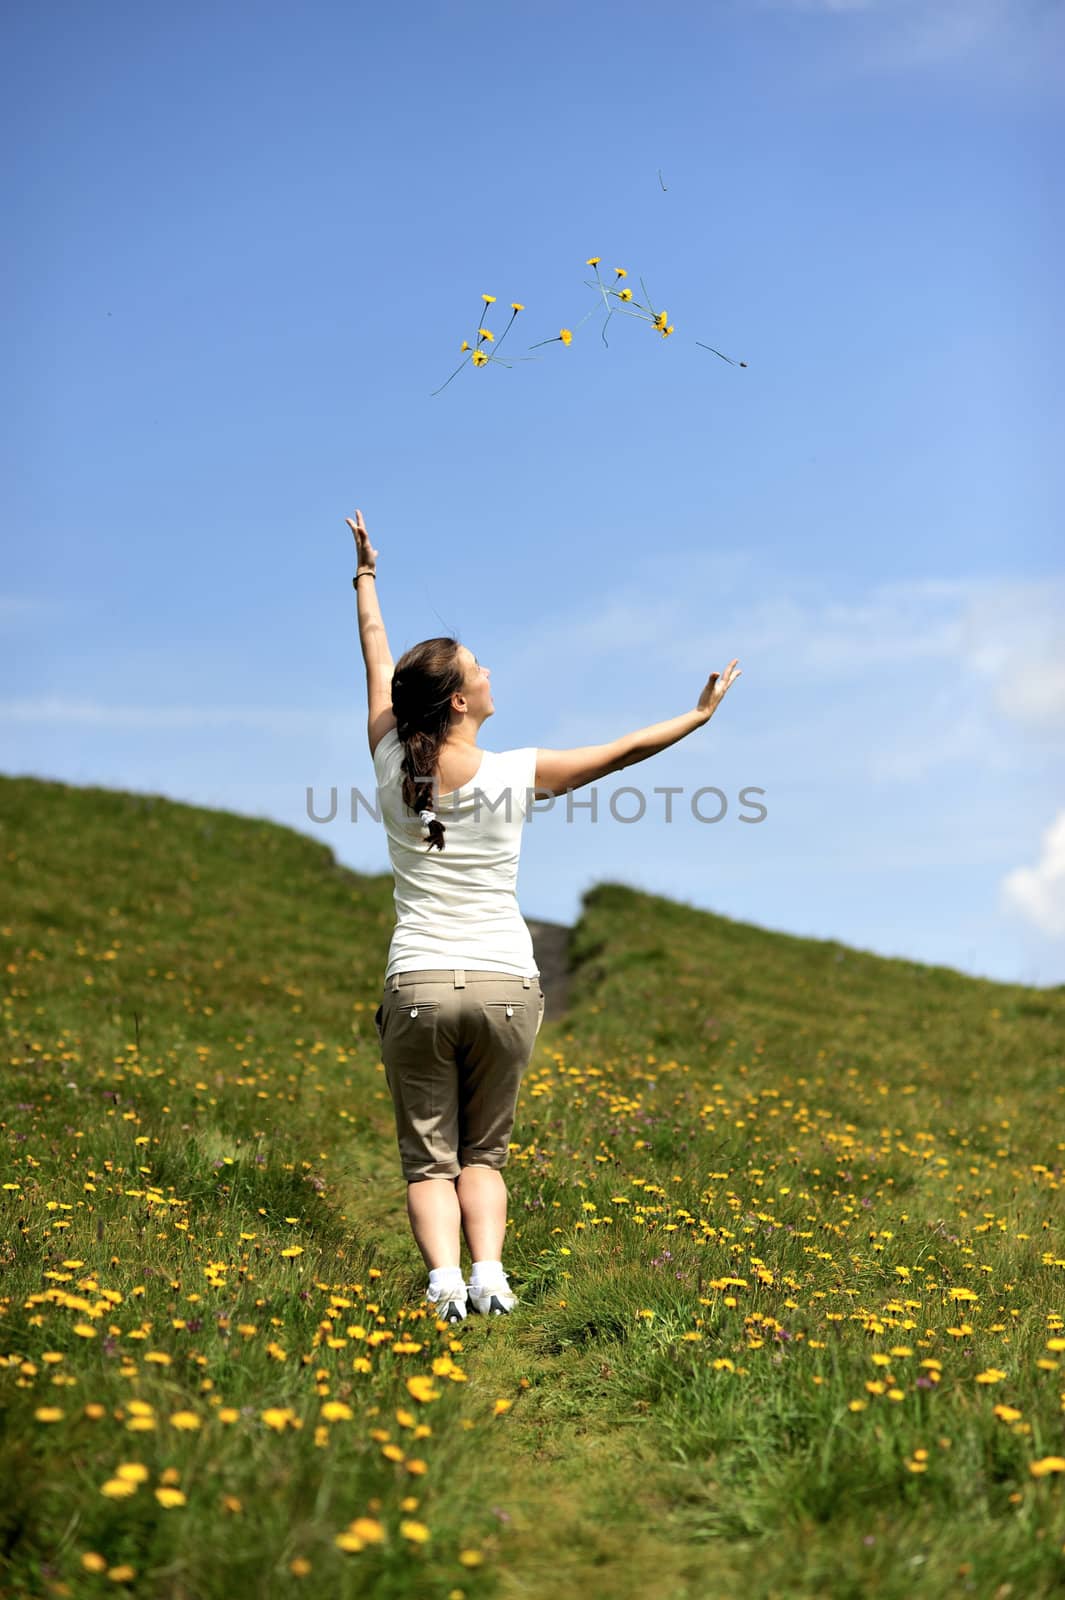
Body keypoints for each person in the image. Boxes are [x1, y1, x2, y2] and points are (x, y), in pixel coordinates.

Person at [346, 508, 740, 1324]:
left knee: (429, 1162)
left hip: (417, 980)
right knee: (482, 1154)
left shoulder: (389, 757)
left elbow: (377, 659)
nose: (490, 672)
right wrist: (697, 716)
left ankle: (444, 1285)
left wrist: (365, 578)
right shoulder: (515, 773)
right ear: (458, 702)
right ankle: (490, 1276)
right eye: (478, 667)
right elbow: (625, 750)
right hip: (504, 986)